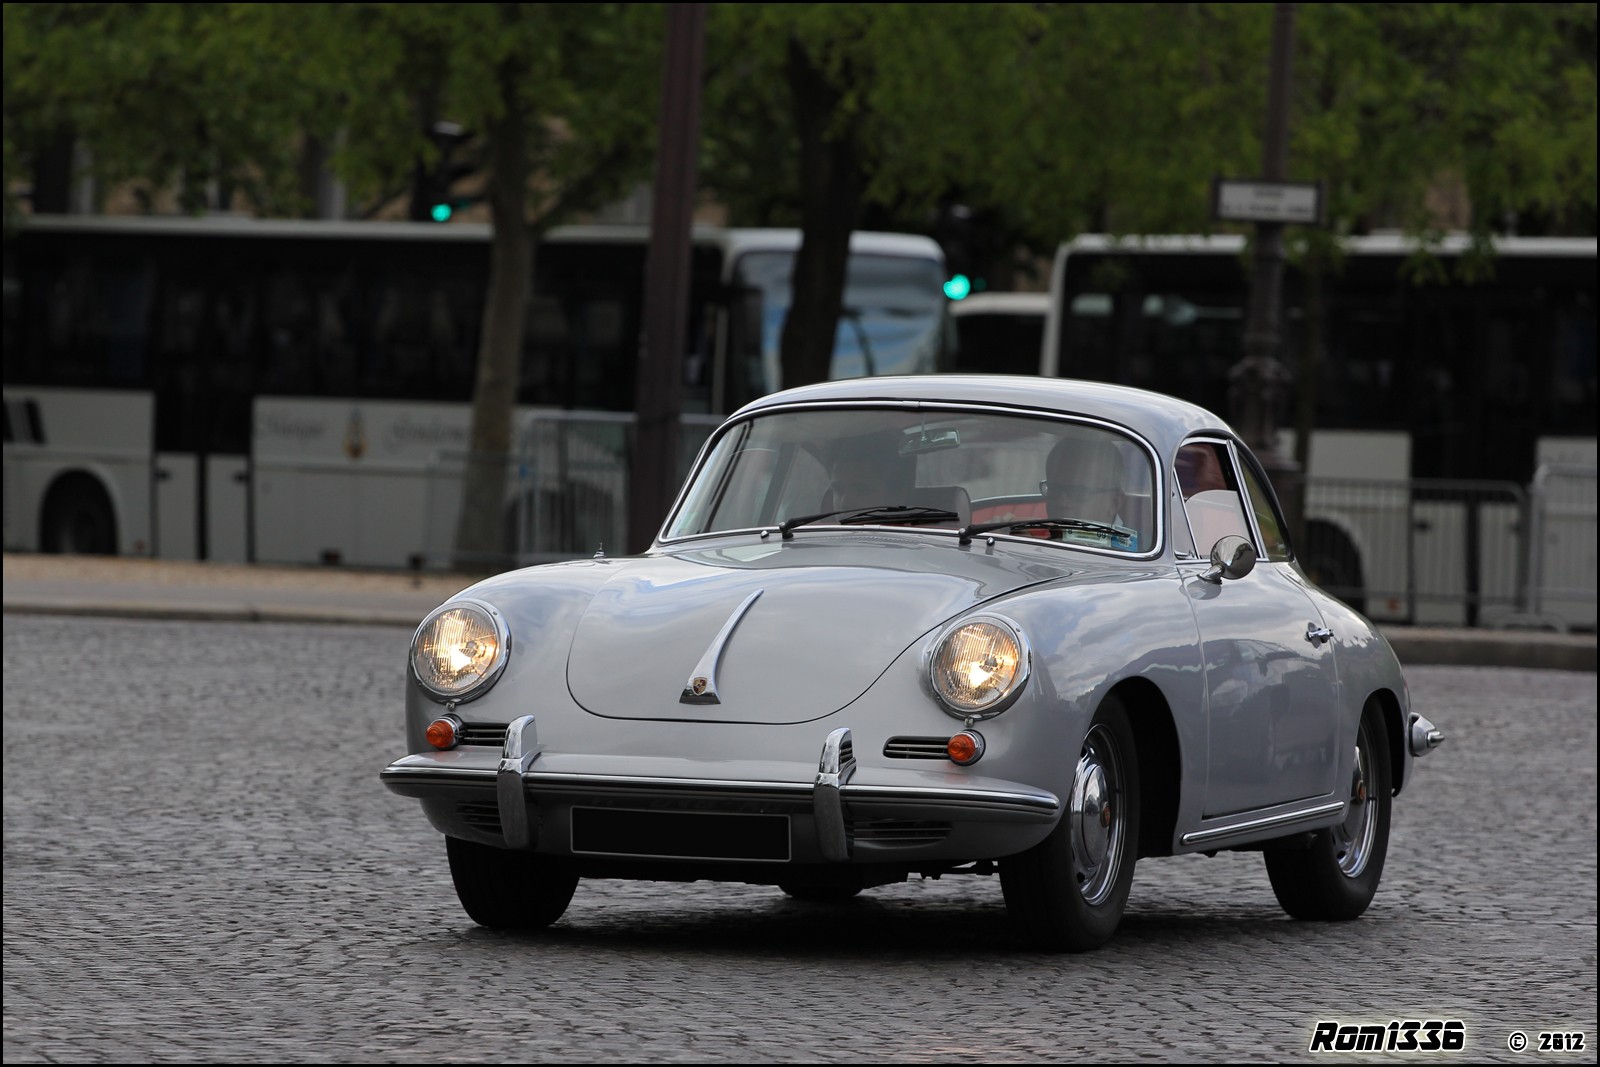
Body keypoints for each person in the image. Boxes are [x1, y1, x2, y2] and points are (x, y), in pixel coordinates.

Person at [1042, 432, 1140, 549]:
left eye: (1078, 492)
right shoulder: (1029, 540)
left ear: (1114, 503)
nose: (1061, 502)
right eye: (1055, 489)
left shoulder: (1141, 554)